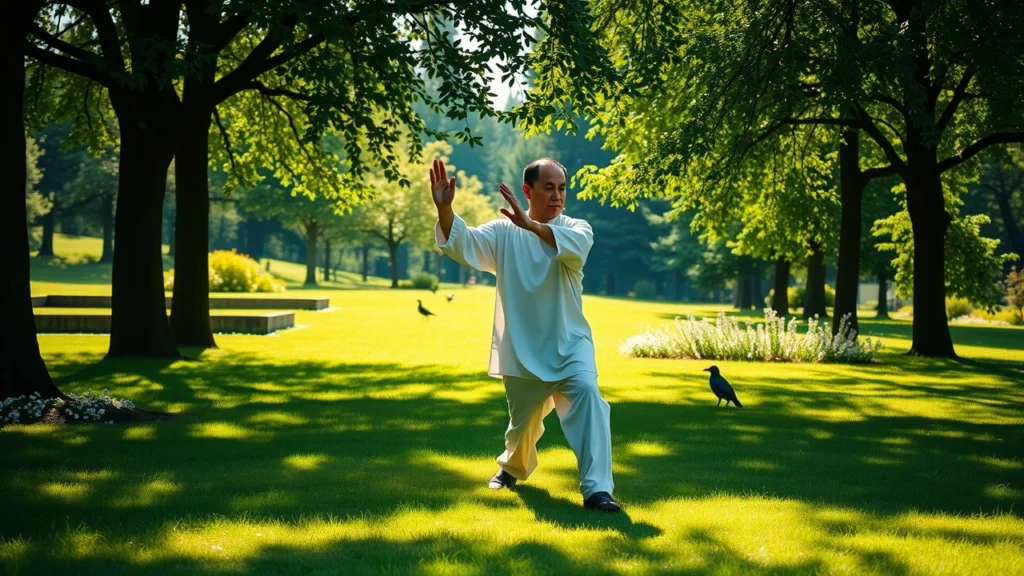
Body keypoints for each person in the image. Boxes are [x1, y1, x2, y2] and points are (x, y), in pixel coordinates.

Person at [430, 157, 619, 512]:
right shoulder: (503, 233)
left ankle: (597, 491)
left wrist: (530, 225)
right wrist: (445, 208)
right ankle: (512, 469)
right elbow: (462, 243)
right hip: (522, 348)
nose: (557, 195)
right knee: (522, 426)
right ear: (527, 191)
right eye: (548, 188)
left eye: (561, 188)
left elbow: (573, 248)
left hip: (570, 346)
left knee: (589, 396)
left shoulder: (577, 228)